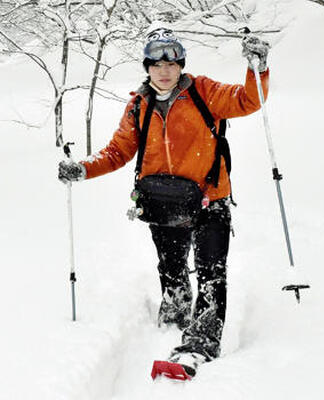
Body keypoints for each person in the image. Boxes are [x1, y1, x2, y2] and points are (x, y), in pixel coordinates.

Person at [59, 27, 270, 377]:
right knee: (171, 268)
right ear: (147, 67)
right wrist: (82, 169)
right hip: (162, 201)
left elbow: (249, 100)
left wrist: (258, 67)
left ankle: (201, 342)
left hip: (208, 200)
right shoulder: (139, 104)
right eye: (156, 63)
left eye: (171, 61)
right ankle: (174, 309)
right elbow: (118, 151)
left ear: (181, 64)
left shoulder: (204, 91)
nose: (164, 69)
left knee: (211, 273)